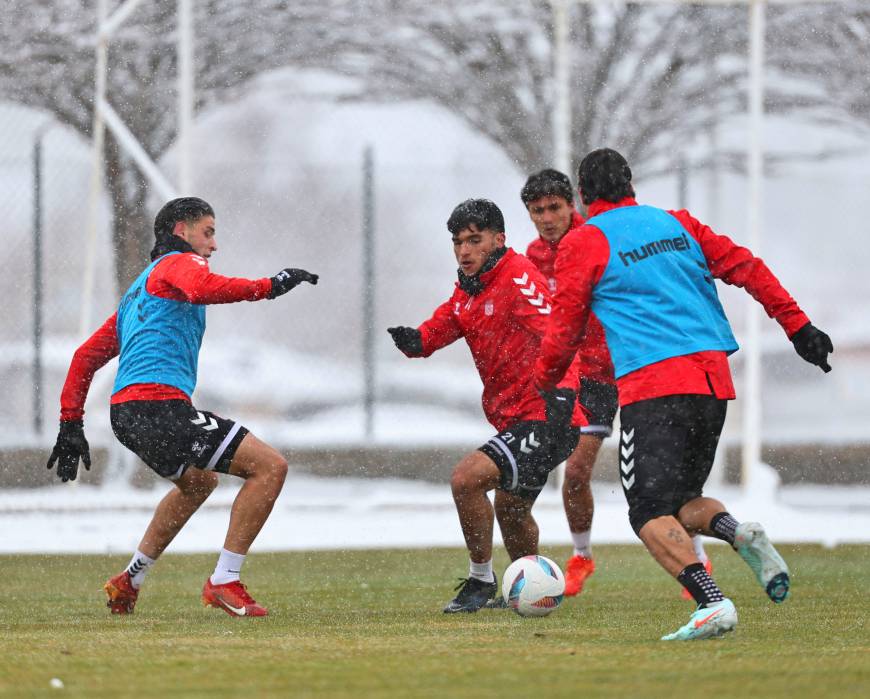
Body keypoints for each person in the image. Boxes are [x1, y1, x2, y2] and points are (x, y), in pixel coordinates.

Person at [534, 149, 833, 640]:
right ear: (630, 183)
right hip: (712, 382)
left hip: (654, 388)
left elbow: (564, 330)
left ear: (583, 197)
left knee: (647, 511)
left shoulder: (586, 240)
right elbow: (748, 268)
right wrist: (798, 327)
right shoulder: (679, 224)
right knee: (682, 501)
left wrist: (547, 384)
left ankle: (711, 603)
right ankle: (740, 532)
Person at [47, 197, 319, 618]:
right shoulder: (179, 264)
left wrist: (70, 422)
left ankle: (129, 581)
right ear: (181, 231)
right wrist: (270, 285)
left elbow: (85, 356)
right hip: (158, 407)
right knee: (269, 467)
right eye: (208, 232)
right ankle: (224, 581)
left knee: (199, 484)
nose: (213, 244)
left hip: (128, 414)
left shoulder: (138, 291)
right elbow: (201, 287)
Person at [521, 169, 713, 599]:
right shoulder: (533, 258)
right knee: (575, 472)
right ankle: (581, 556)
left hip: (637, 367)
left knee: (669, 476)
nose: (548, 217)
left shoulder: (598, 237)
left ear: (574, 205)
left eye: (555, 207)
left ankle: (697, 558)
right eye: (539, 211)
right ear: (530, 215)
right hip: (591, 379)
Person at [387, 198, 584, 613]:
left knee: (466, 479)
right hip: (515, 419)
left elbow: (556, 334)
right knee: (511, 510)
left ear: (499, 240)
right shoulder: (467, 291)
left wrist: (564, 391)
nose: (464, 250)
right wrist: (416, 341)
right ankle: (534, 589)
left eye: (474, 240)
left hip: (547, 416)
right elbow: (444, 324)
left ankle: (480, 581)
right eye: (458, 242)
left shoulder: (517, 276)